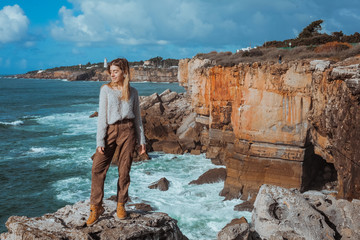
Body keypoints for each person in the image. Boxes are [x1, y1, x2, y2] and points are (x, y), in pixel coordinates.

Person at [86, 58, 146, 226]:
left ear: (124, 72)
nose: (112, 74)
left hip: (128, 131)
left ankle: (121, 204)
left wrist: (142, 141)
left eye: (115, 71)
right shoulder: (105, 90)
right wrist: (100, 141)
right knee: (97, 168)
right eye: (111, 71)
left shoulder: (133, 92)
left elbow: (138, 119)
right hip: (110, 131)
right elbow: (102, 118)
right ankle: (96, 207)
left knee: (124, 170)